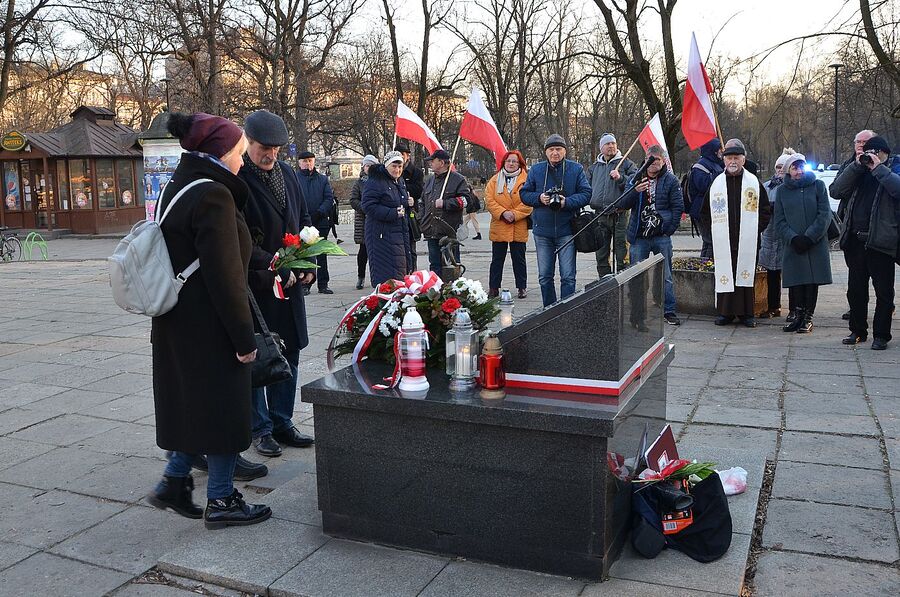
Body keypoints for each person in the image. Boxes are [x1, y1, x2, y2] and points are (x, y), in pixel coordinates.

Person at [148, 112, 270, 529]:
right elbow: (225, 277)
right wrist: (243, 337)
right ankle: (221, 500)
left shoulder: (179, 186)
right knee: (224, 411)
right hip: (210, 326)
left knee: (195, 407)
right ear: (220, 153)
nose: (242, 160)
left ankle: (174, 481)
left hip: (178, 321)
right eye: (238, 152)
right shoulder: (215, 196)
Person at [239, 109, 315, 459]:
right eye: (263, 148)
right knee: (258, 354)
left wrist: (307, 263)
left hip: (290, 285)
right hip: (256, 286)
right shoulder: (238, 177)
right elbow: (237, 240)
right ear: (247, 142)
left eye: (276, 148)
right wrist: (269, 264)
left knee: (291, 351)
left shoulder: (287, 172)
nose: (270, 155)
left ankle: (283, 420)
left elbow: (302, 221)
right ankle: (260, 427)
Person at [831, 135, 900, 350]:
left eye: (873, 152)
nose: (869, 156)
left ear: (883, 153)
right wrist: (856, 166)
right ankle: (857, 331)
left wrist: (878, 168)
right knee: (856, 291)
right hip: (855, 240)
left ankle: (881, 335)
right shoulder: (857, 169)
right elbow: (836, 190)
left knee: (884, 293)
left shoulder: (894, 167)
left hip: (881, 241)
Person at [700, 138, 772, 328]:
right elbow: (705, 212)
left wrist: (756, 230)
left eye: (736, 158)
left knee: (745, 275)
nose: (732, 161)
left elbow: (765, 210)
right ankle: (725, 313)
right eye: (729, 158)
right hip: (723, 240)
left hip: (747, 240)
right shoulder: (716, 184)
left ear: (743, 159)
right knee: (726, 274)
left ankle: (747, 314)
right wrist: (711, 234)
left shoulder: (753, 183)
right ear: (724, 160)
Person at [520, 134, 592, 306]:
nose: (555, 153)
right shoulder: (536, 170)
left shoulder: (576, 169)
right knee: (545, 276)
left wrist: (566, 202)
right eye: (551, 149)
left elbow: (586, 194)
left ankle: (566, 312)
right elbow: (523, 194)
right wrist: (539, 198)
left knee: (568, 276)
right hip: (542, 231)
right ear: (546, 152)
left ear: (565, 151)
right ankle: (549, 311)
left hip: (567, 230)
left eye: (558, 149)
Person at [619, 145, 684, 325]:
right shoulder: (635, 178)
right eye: (651, 160)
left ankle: (669, 310)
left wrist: (668, 229)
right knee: (637, 276)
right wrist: (635, 190)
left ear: (663, 161)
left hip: (661, 235)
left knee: (666, 275)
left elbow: (678, 207)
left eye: (657, 161)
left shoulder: (670, 180)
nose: (653, 164)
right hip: (639, 236)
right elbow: (623, 203)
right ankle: (637, 313)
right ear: (646, 159)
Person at [774, 153, 833, 334]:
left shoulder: (818, 186)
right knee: (797, 281)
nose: (798, 171)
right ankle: (797, 315)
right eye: (794, 167)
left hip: (814, 243)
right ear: (788, 171)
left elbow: (824, 215)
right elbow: (780, 220)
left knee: (811, 281)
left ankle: (808, 317)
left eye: (801, 167)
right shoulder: (782, 191)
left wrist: (809, 236)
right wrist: (793, 238)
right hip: (794, 244)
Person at [834, 130, 877, 321]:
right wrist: (856, 167)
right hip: (852, 231)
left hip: (878, 233)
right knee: (855, 279)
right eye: (857, 141)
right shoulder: (848, 165)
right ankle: (857, 312)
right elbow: (836, 191)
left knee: (880, 279)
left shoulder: (885, 164)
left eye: (865, 141)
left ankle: (885, 308)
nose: (860, 145)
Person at [587, 133, 637, 276]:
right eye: (607, 144)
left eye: (613, 143)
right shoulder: (594, 168)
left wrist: (621, 178)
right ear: (601, 148)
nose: (611, 146)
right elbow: (587, 187)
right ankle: (604, 282)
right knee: (601, 251)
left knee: (622, 251)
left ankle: (624, 282)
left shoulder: (626, 163)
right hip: (600, 215)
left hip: (620, 215)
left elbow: (635, 183)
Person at [485, 150, 532, 298]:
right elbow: (489, 200)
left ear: (520, 164)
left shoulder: (527, 180)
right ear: (504, 163)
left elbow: (529, 201)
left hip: (518, 225)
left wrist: (515, 214)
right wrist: (503, 213)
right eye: (508, 161)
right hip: (500, 225)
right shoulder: (494, 180)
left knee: (519, 260)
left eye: (514, 161)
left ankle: (522, 287)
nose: (511, 164)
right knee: (497, 260)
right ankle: (493, 287)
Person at [419, 149, 475, 274]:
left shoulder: (458, 179)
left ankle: (452, 292)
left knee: (451, 266)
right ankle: (436, 291)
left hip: (449, 233)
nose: (430, 163)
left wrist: (446, 203)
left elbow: (466, 200)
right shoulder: (429, 181)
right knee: (434, 265)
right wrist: (421, 220)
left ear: (442, 162)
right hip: (431, 231)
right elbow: (422, 202)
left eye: (433, 161)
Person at [362, 151, 413, 285]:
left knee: (400, 272)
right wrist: (393, 213)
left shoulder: (399, 181)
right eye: (394, 166)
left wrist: (408, 203)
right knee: (386, 276)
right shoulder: (375, 181)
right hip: (381, 235)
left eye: (400, 167)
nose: (397, 170)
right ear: (386, 166)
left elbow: (398, 202)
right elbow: (368, 206)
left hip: (398, 233)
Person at [757, 149, 795, 320]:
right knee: (771, 273)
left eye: (784, 167)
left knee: (792, 273)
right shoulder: (766, 186)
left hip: (786, 236)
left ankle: (795, 308)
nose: (780, 170)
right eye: (778, 166)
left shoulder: (792, 187)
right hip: (770, 234)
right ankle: (773, 305)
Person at [296, 150, 335, 294]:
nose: (308, 164)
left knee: (321, 254)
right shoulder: (295, 178)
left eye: (310, 161)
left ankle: (323, 284)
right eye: (305, 161)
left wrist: (320, 212)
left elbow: (328, 198)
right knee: (304, 254)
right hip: (302, 222)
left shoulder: (322, 179)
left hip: (320, 221)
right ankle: (305, 284)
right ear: (300, 163)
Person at [688, 138, 724, 260]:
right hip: (703, 210)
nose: (721, 151)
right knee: (710, 241)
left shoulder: (716, 164)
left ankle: (706, 266)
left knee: (710, 241)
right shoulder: (700, 166)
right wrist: (720, 175)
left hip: (712, 209)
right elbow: (704, 185)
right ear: (713, 150)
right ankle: (707, 267)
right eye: (719, 148)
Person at [350, 154, 379, 289]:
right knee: (363, 250)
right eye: (367, 165)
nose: (368, 168)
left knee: (378, 251)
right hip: (363, 219)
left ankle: (377, 276)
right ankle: (360, 277)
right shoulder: (359, 183)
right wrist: (364, 207)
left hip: (377, 219)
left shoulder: (380, 181)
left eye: (371, 165)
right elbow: (353, 200)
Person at [395, 142, 423, 270]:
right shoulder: (390, 171)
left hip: (410, 214)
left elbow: (418, 190)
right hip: (395, 214)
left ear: (408, 156)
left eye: (402, 154)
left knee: (411, 248)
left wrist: (403, 189)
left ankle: (413, 272)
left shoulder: (416, 172)